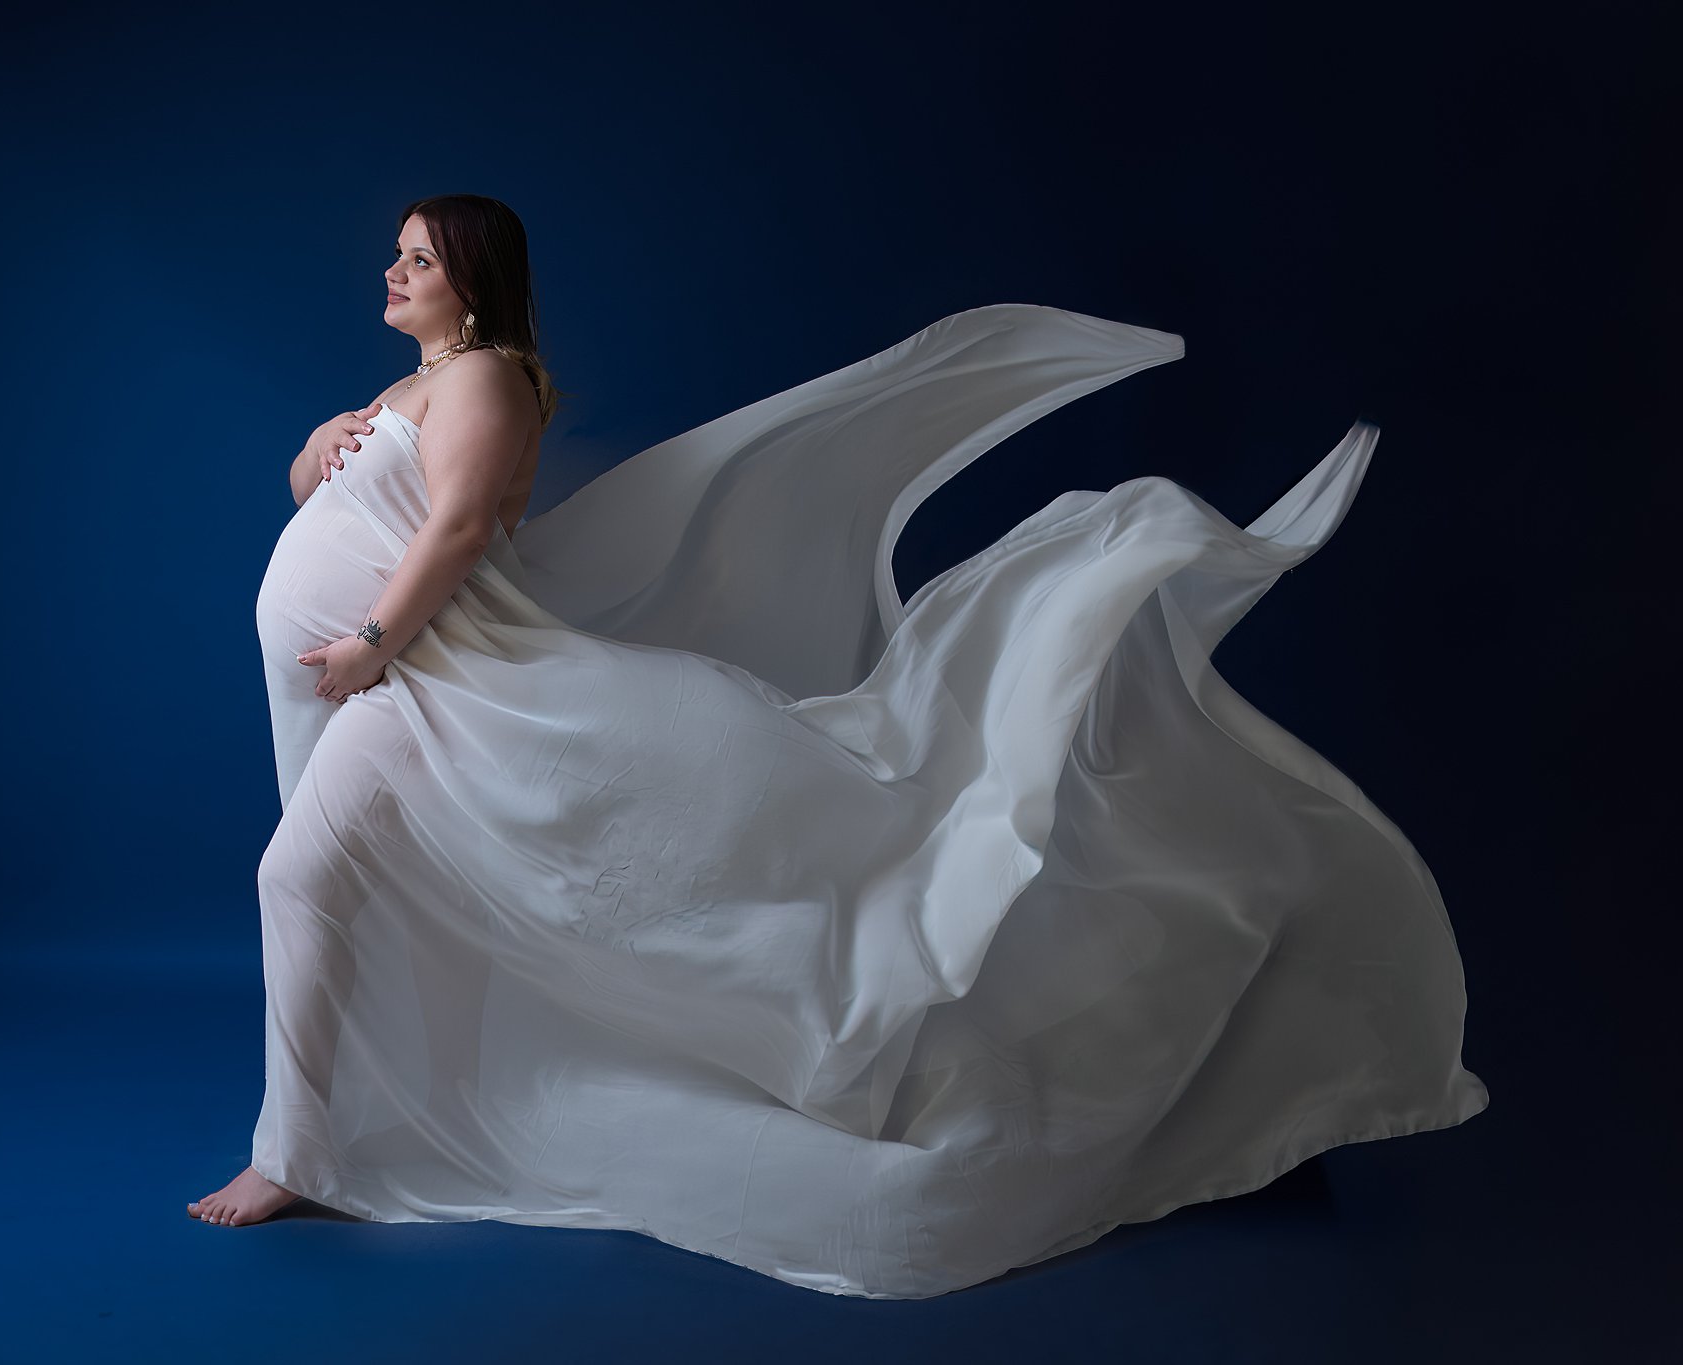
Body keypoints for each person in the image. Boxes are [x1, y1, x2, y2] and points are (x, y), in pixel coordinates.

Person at [187, 193, 1489, 1300]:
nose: (392, 271)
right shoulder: (412, 383)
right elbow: (336, 494)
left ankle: (298, 1154)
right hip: (400, 683)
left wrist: (369, 641)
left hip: (436, 686)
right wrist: (314, 449)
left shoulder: (480, 380)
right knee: (353, 894)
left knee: (302, 880)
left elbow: (461, 528)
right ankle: (332, 1130)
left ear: (468, 281)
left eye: (415, 255)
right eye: (397, 254)